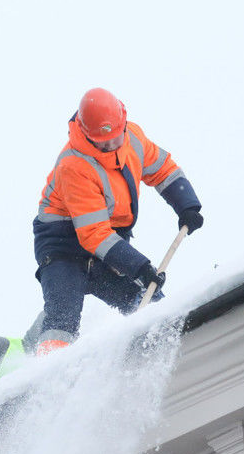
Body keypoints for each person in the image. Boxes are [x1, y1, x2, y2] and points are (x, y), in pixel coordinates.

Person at [32, 87, 204, 354]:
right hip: (64, 250)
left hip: (107, 245)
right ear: (87, 136)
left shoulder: (132, 137)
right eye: (103, 142)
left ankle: (178, 349)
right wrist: (140, 266)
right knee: (61, 323)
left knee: (148, 300)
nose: (112, 145)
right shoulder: (73, 165)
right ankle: (46, 380)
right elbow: (94, 234)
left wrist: (187, 205)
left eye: (116, 137)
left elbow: (163, 170)